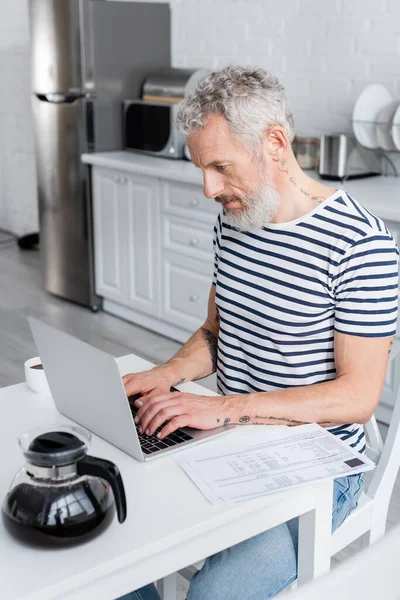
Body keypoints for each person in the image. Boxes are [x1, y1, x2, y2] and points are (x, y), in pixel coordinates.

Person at [118, 66, 399, 600]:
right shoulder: (238, 218)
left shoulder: (361, 245)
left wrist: (221, 409)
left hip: (315, 468)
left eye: (220, 167)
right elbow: (214, 331)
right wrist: (168, 374)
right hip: (224, 442)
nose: (208, 188)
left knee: (212, 596)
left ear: (274, 143)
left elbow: (358, 397)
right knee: (111, 551)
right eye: (202, 168)